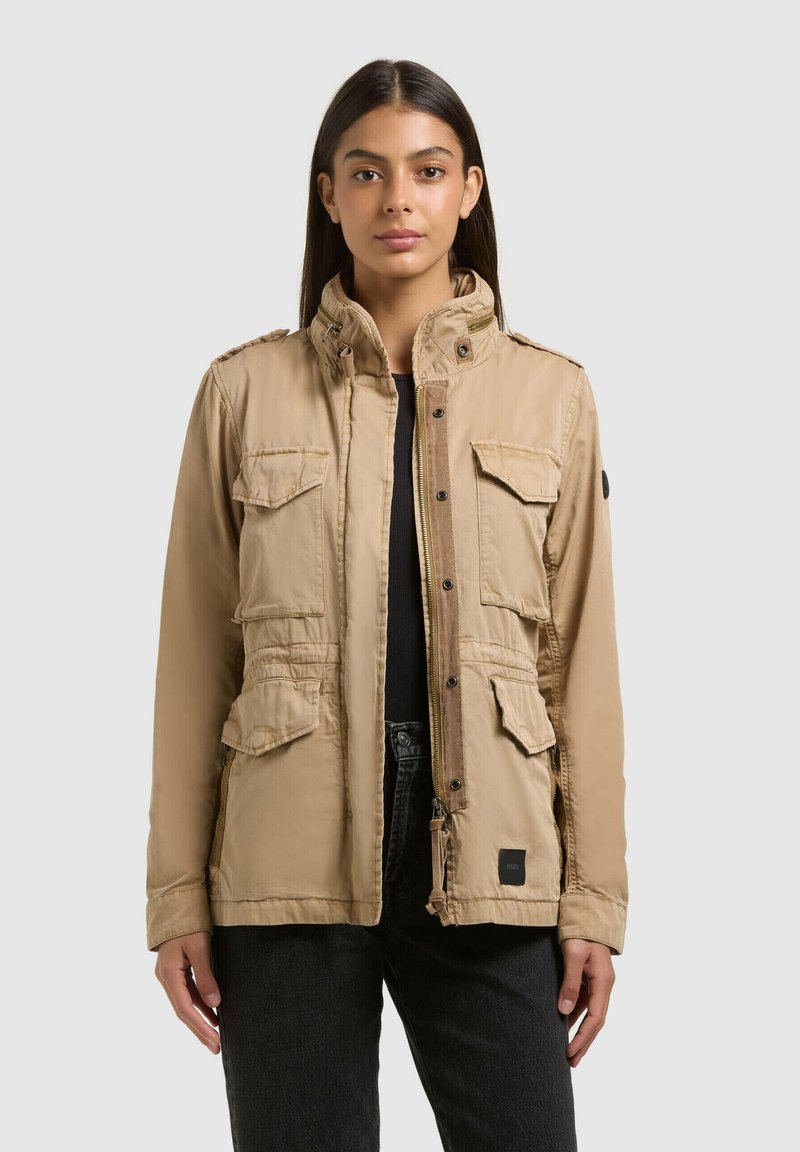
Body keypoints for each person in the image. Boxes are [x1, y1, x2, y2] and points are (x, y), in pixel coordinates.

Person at [146, 57, 628, 1152]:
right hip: (285, 861)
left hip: (495, 857)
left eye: (427, 170)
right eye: (365, 172)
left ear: (469, 189)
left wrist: (593, 899)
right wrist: (176, 896)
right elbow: (193, 660)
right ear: (328, 195)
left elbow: (580, 663)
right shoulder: (242, 391)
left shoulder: (553, 394)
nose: (396, 200)